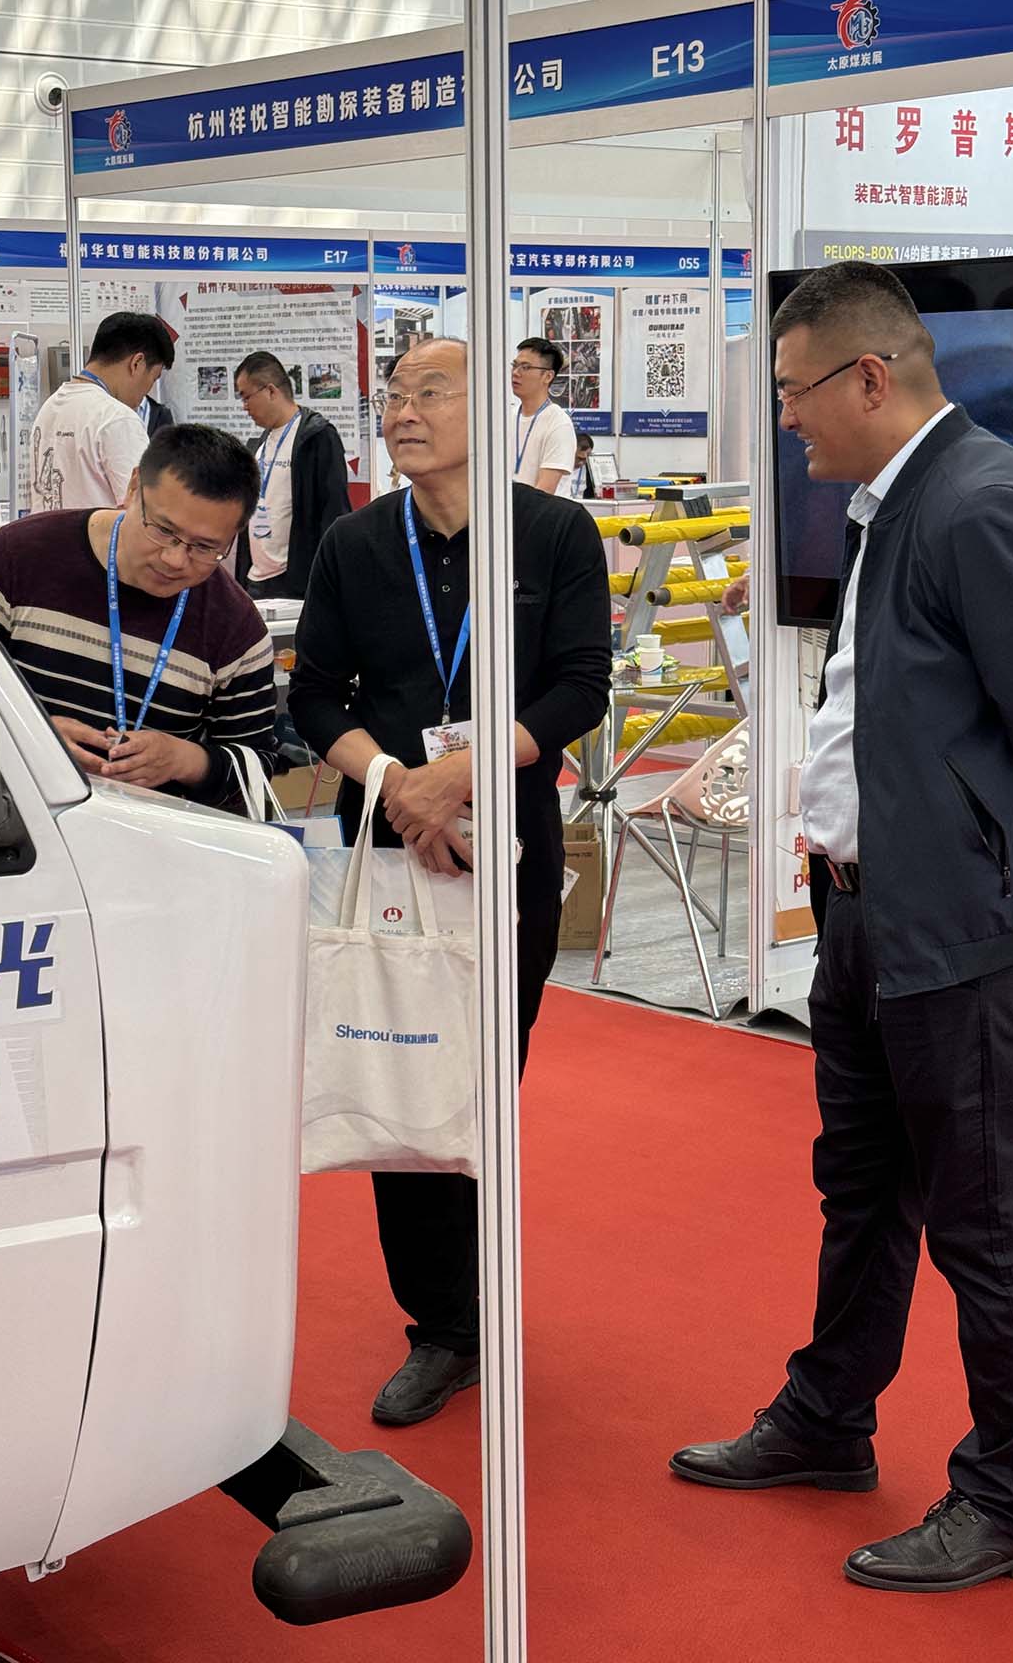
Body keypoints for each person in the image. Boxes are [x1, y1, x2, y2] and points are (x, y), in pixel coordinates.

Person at [670, 261, 1013, 1594]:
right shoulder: (893, 504)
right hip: (876, 912)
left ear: (869, 377)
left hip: (970, 928)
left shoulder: (982, 502)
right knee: (865, 1188)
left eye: (793, 390)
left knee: (985, 1219)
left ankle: (1010, 1500)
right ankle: (828, 1417)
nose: (785, 416)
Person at [289, 337, 611, 1427]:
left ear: (488, 412)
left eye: (431, 392)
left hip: (507, 842)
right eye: (394, 394)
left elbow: (581, 686)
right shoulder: (354, 541)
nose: (403, 411)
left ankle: (484, 1296)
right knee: (402, 1073)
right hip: (388, 842)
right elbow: (315, 696)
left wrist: (462, 775)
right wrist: (397, 784)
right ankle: (442, 1327)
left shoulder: (553, 532)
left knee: (482, 1080)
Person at [0, 423, 276, 807]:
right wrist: (29, 735)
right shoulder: (18, 557)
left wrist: (184, 760)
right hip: (12, 819)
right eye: (163, 530)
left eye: (205, 547)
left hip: (149, 832)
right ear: (133, 489)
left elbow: (256, 770)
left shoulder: (237, 631)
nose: (175, 559)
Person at [231, 349, 351, 601]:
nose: (244, 407)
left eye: (246, 396)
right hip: (256, 578)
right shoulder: (261, 443)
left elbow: (334, 511)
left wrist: (324, 581)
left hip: (294, 582)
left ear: (271, 391)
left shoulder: (316, 436)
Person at [30, 312, 175, 514]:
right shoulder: (117, 418)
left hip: (51, 534)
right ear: (137, 363)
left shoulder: (50, 407)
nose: (147, 392)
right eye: (154, 378)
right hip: (96, 536)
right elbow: (146, 514)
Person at [510, 336, 578, 496]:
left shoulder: (559, 424)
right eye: (514, 365)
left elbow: (545, 492)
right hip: (507, 509)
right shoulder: (506, 418)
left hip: (541, 510)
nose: (516, 373)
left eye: (525, 367)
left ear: (547, 376)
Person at [568, 431, 598, 500]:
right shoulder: (560, 468)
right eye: (579, 458)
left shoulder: (591, 471)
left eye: (586, 459)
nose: (581, 463)